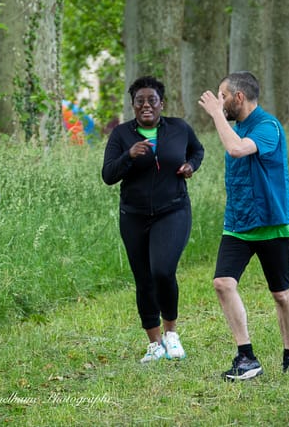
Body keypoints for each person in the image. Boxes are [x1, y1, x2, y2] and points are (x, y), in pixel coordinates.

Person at [198, 71, 289, 380]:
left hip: (271, 223)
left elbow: (238, 149)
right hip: (238, 224)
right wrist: (221, 117)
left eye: (224, 96)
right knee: (222, 283)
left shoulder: (268, 126)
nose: (220, 102)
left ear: (239, 97)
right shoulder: (239, 127)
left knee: (281, 294)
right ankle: (246, 357)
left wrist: (216, 115)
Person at [102, 76, 204, 363]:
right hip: (133, 216)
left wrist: (190, 166)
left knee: (162, 270)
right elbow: (108, 175)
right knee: (143, 278)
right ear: (133, 106)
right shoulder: (122, 135)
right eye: (140, 101)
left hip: (173, 210)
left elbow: (198, 150)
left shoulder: (179, 128)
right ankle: (154, 344)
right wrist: (129, 155)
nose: (146, 105)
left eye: (152, 100)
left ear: (162, 104)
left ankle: (171, 334)